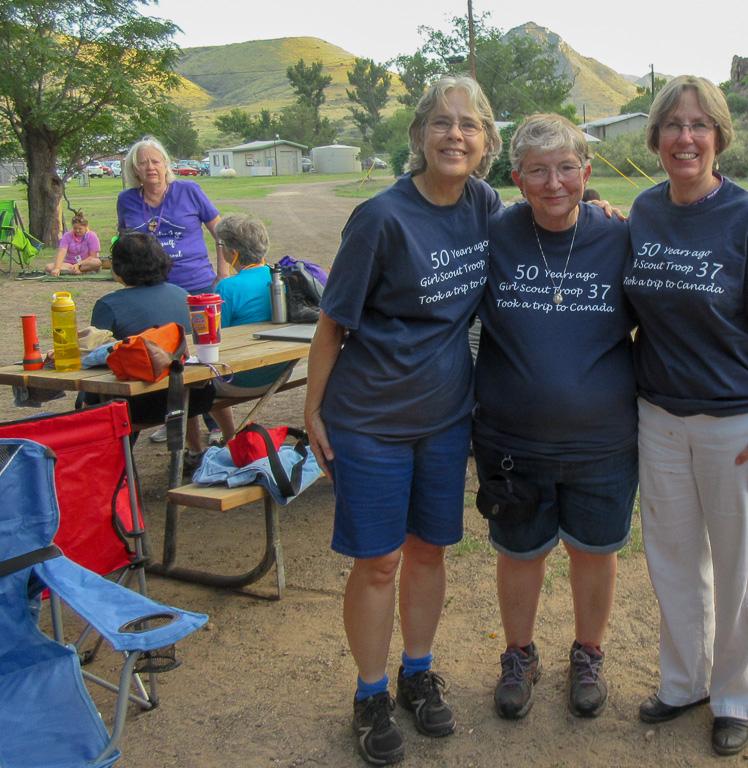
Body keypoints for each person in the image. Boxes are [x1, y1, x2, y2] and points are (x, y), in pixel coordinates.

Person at [303, 76, 503, 767]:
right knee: (380, 561)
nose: (455, 135)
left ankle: (417, 673)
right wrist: (312, 411)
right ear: (419, 134)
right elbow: (332, 322)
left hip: (446, 418)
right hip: (371, 418)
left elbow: (544, 229)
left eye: (470, 125)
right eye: (442, 123)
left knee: (428, 552)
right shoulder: (381, 218)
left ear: (486, 142)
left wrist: (599, 215)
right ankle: (368, 692)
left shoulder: (484, 204)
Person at [623, 75, 748, 756]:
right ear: (656, 139)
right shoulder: (642, 212)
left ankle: (737, 695)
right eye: (672, 125)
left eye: (699, 124)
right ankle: (684, 682)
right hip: (660, 417)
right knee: (673, 560)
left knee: (741, 566)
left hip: (737, 424)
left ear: (719, 136)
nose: (685, 137)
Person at [473, 114, 636, 721]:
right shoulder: (493, 234)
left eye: (567, 168)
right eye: (537, 171)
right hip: (511, 442)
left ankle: (588, 653)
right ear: (516, 178)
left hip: (604, 440)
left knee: (595, 552)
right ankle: (518, 655)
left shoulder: (620, 234)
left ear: (587, 173)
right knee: (520, 552)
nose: (553, 183)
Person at [117, 135, 227, 445]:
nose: (150, 167)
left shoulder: (189, 191)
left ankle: (214, 420)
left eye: (155, 161)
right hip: (151, 289)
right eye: (143, 163)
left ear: (167, 165)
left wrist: (222, 271)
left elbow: (220, 231)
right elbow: (126, 245)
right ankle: (171, 415)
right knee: (162, 355)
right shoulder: (127, 199)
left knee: (203, 354)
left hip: (197, 284)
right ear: (134, 169)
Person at [90, 232, 216, 465]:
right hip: (193, 397)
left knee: (94, 392)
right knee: (175, 368)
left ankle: (111, 467)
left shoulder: (109, 305)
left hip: (139, 404)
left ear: (118, 269)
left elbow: (97, 357)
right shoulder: (182, 295)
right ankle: (196, 451)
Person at [211, 213, 292, 442]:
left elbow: (217, 341)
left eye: (221, 245)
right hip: (281, 371)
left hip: (240, 380)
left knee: (190, 385)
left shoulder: (227, 287)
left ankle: (224, 437)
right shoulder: (281, 277)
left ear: (233, 252)